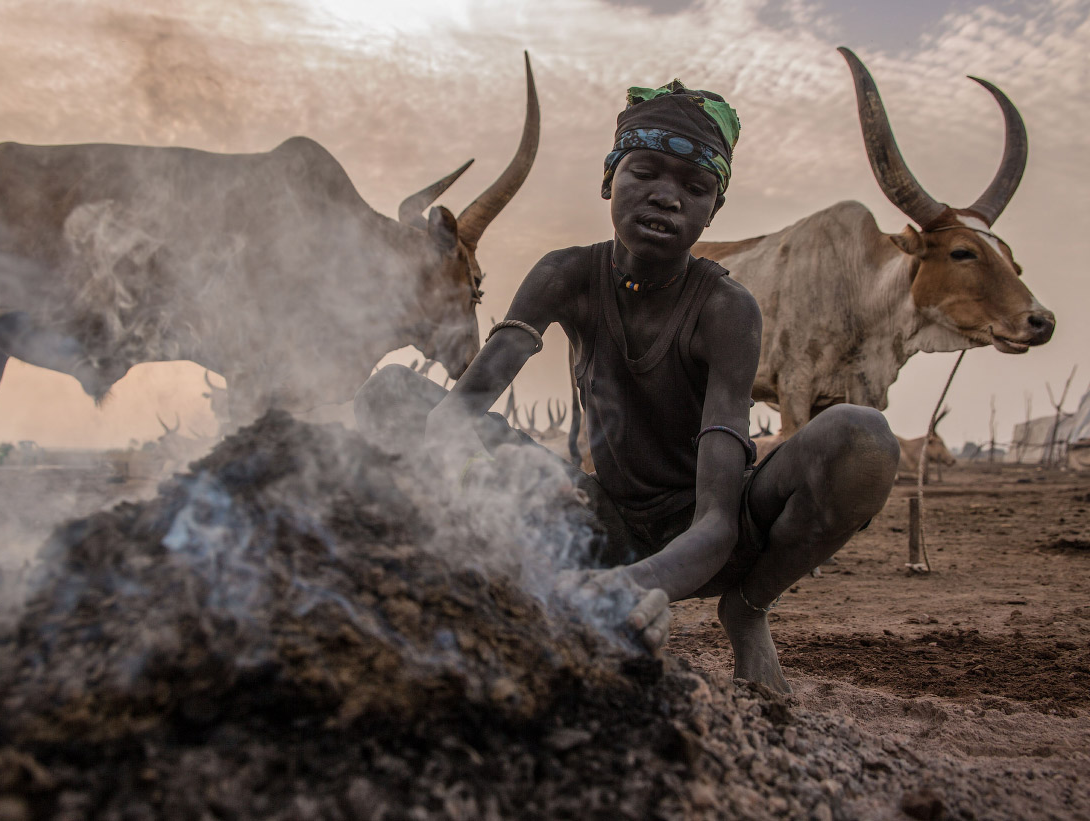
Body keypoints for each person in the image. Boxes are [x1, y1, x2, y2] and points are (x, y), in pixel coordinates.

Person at [356, 79, 898, 693]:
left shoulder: (727, 309)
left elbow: (716, 521)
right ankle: (505, 585)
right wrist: (471, 474)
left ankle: (747, 610)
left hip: (714, 536)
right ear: (608, 180)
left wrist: (631, 587)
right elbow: (459, 412)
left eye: (694, 188)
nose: (666, 198)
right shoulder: (564, 274)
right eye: (645, 172)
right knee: (392, 393)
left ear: (713, 210)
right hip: (596, 524)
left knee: (863, 437)